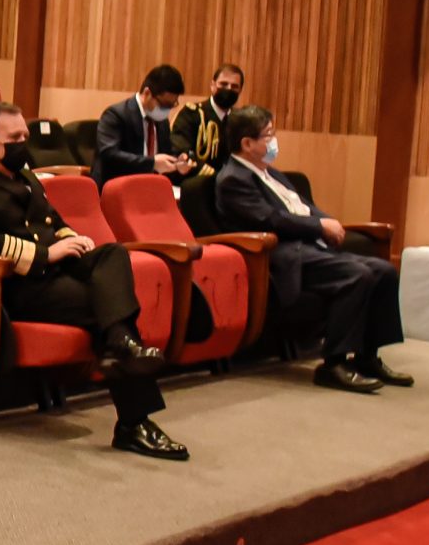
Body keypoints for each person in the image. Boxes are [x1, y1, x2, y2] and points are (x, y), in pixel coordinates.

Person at [0, 102, 185, 460]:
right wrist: (47, 254)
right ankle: (134, 417)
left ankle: (121, 346)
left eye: (25, 134)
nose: (25, 142)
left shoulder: (25, 176)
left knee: (112, 253)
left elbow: (52, 221)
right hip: (15, 284)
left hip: (56, 270)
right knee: (106, 307)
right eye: (16, 137)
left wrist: (75, 239)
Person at [214, 105, 412, 396]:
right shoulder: (233, 179)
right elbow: (271, 220)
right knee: (356, 274)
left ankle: (368, 357)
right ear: (247, 143)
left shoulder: (272, 173)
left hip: (308, 248)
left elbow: (303, 205)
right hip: (280, 255)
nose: (274, 141)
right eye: (269, 135)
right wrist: (319, 227)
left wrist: (326, 221)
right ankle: (333, 364)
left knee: (383, 271)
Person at [168, 62, 245, 230]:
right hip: (197, 185)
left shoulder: (242, 121)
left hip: (229, 190)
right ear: (212, 85)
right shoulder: (192, 113)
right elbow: (182, 151)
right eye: (223, 84)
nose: (228, 89)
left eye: (234, 86)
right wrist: (218, 178)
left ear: (240, 91)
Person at [93, 63, 196, 186]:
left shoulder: (162, 121)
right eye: (164, 104)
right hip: (117, 187)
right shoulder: (116, 115)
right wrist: (152, 163)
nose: (167, 110)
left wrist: (178, 162)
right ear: (147, 93)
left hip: (150, 189)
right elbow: (109, 155)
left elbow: (166, 154)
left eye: (172, 105)